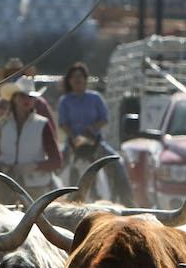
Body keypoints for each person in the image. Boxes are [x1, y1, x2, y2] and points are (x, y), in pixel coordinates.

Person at [57, 62, 134, 204]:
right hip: (73, 143)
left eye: (80, 77)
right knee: (57, 166)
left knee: (117, 162)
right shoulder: (65, 101)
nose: (78, 80)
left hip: (95, 141)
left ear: (86, 79)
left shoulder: (95, 98)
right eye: (74, 77)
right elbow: (63, 123)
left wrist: (91, 130)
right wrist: (75, 137)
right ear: (69, 80)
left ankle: (126, 199)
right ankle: (55, 198)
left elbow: (104, 119)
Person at [0, 77, 63, 197]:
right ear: (14, 99)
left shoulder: (42, 124)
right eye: (22, 96)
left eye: (31, 97)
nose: (27, 100)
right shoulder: (2, 124)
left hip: (35, 186)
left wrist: (34, 166)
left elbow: (56, 161)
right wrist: (2, 165)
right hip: (5, 185)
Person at [0, 58, 56, 127]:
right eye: (10, 76)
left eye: (17, 75)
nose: (14, 79)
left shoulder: (39, 103)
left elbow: (50, 128)